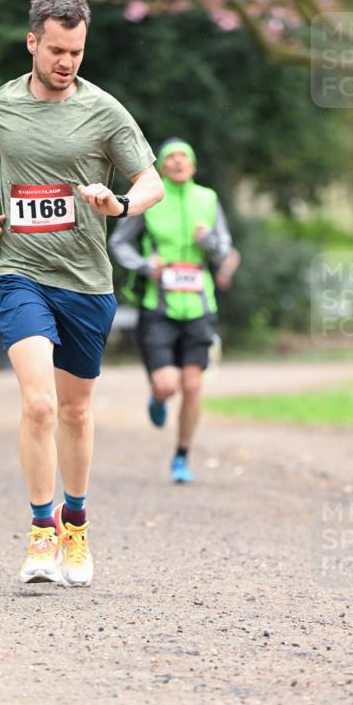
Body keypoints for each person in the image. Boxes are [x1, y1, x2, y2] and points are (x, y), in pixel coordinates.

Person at [0, 0, 163, 587]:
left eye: (75, 51)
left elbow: (150, 182)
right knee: (40, 403)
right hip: (19, 273)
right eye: (55, 50)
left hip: (87, 283)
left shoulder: (104, 111)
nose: (66, 61)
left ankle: (76, 528)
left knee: (74, 409)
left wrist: (119, 202)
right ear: (32, 43)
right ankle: (41, 532)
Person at [109, 138, 239, 484]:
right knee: (169, 386)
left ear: (193, 166)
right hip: (158, 306)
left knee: (193, 386)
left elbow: (225, 248)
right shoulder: (150, 199)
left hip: (199, 306)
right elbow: (119, 242)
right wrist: (143, 264)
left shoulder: (207, 199)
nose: (179, 162)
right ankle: (157, 396)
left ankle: (181, 457)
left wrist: (209, 241)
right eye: (171, 158)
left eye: (185, 157)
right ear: (162, 167)